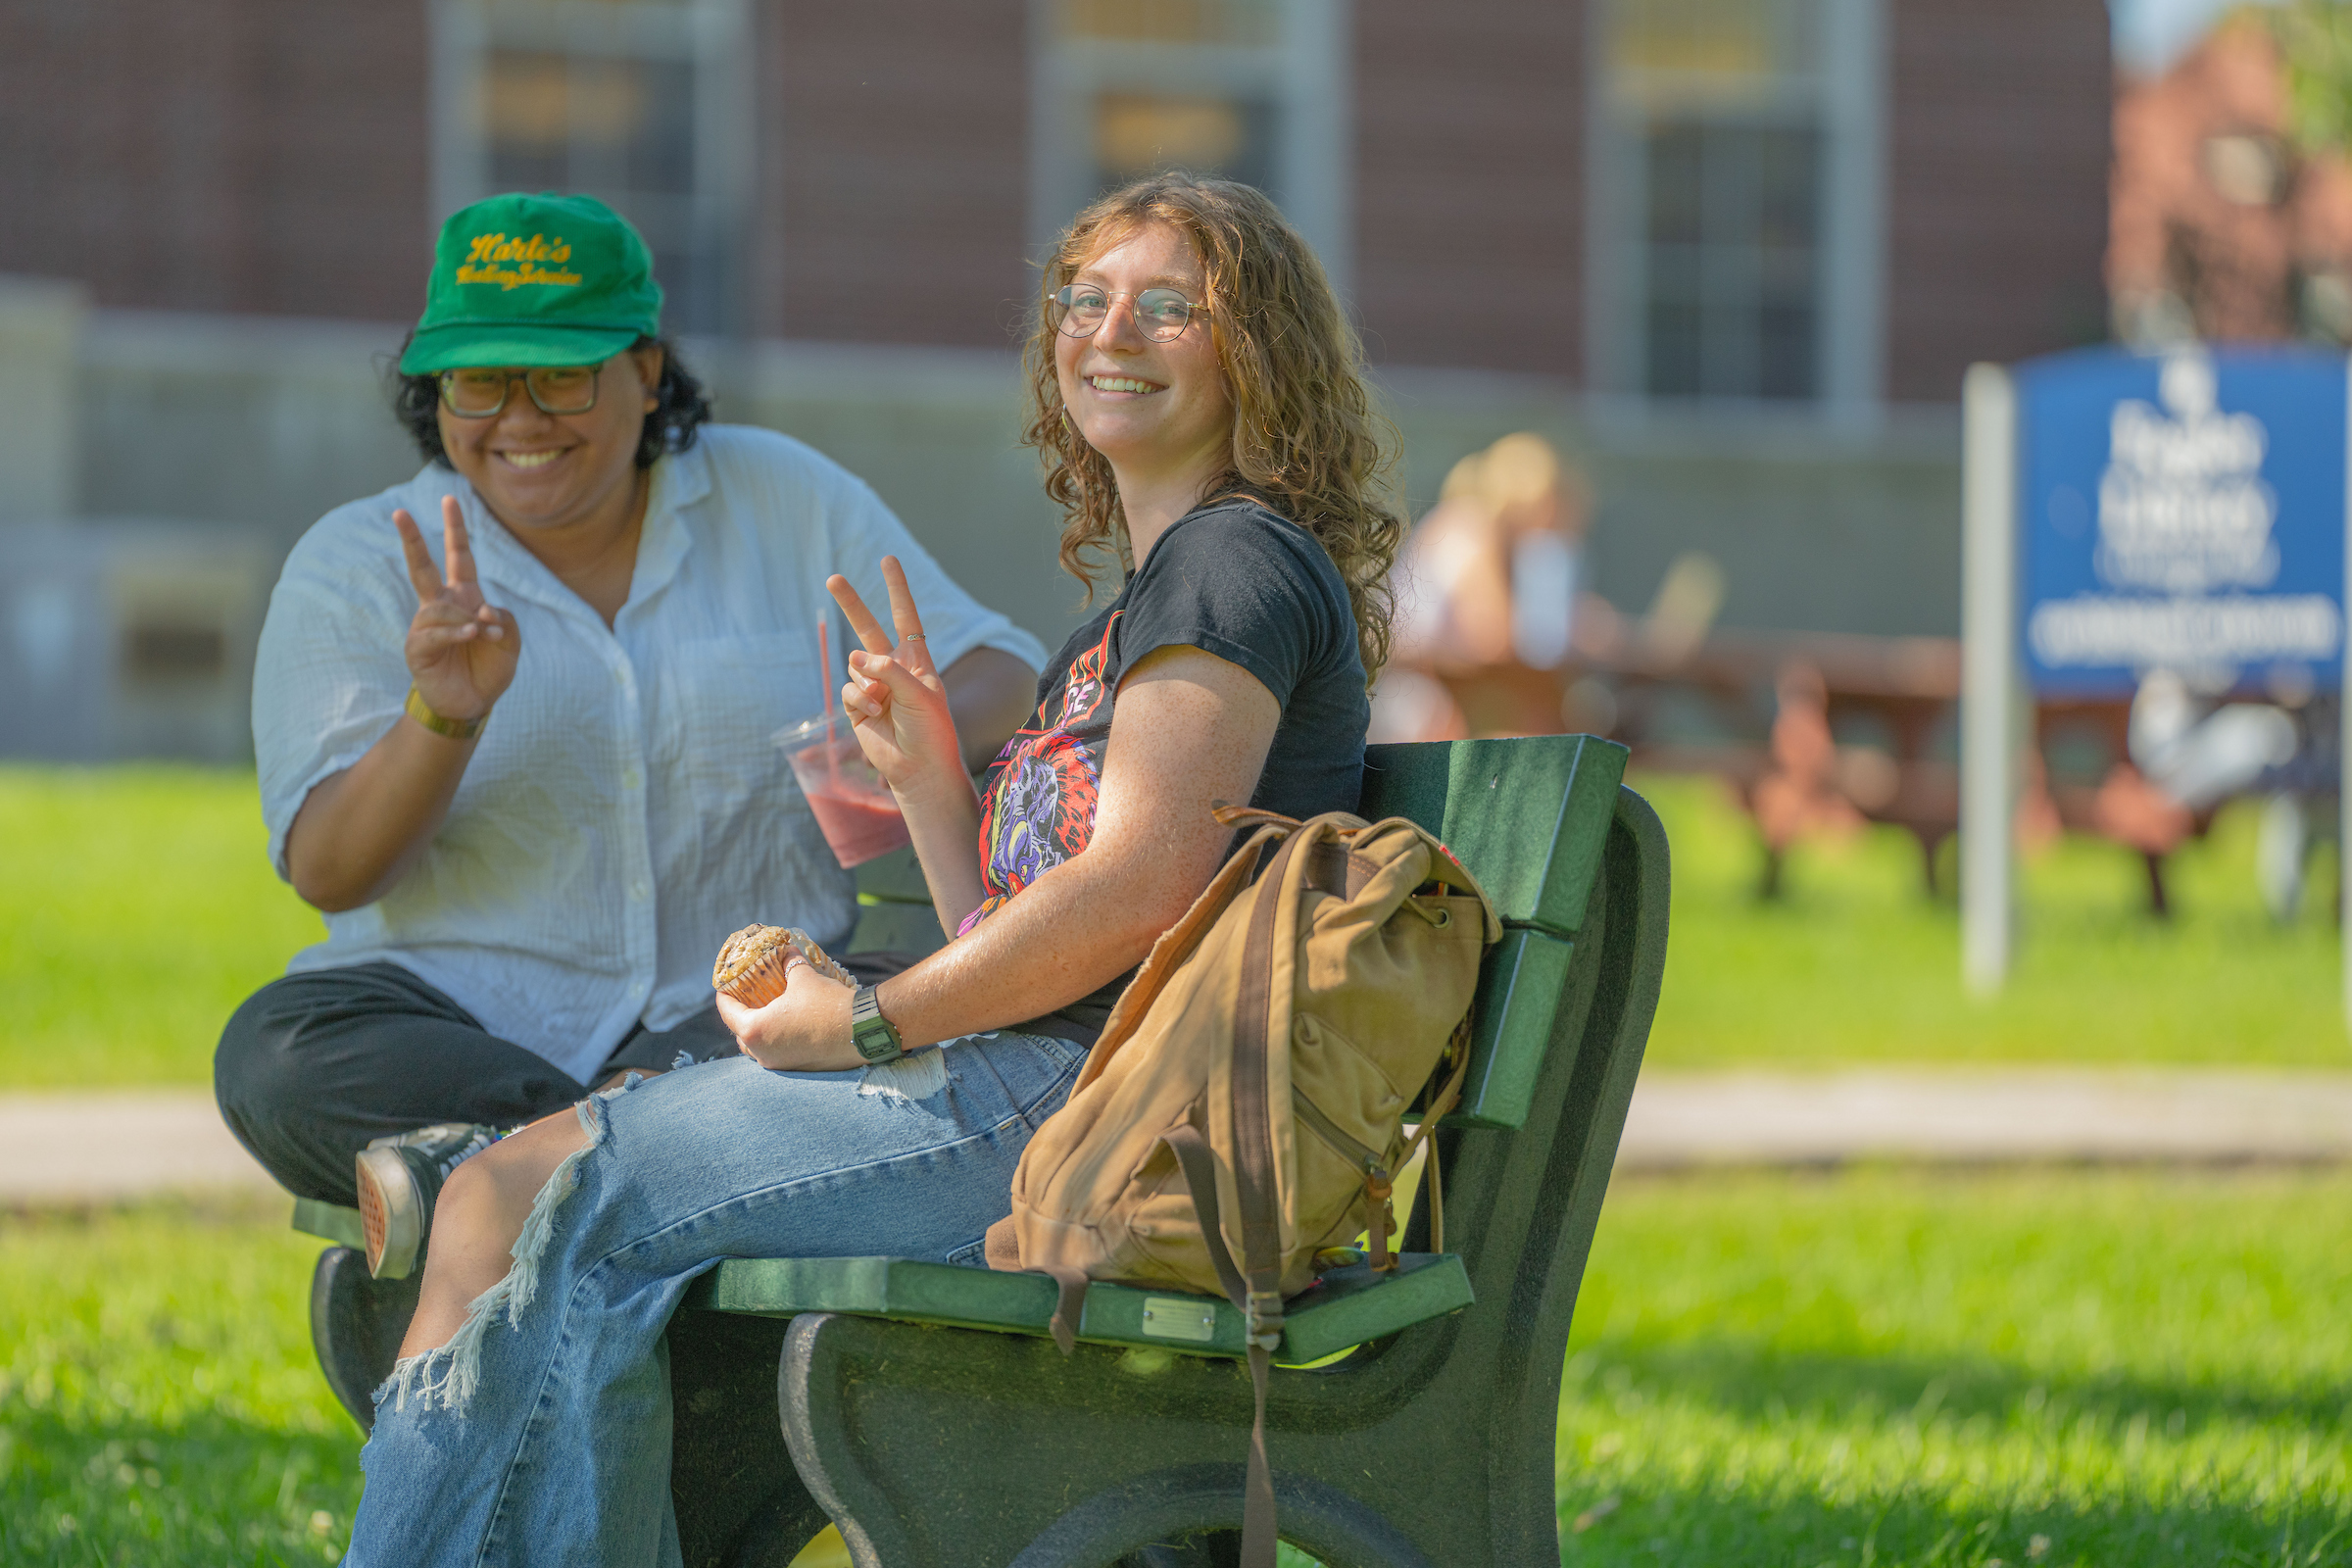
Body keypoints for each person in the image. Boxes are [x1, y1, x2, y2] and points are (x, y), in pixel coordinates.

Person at [342, 172, 1401, 1565]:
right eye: (1083, 299)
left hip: (1083, 1121)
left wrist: (863, 1023)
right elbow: (1046, 933)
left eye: (1168, 306)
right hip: (1053, 1091)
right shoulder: (1143, 607)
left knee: (516, 1200)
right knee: (546, 1219)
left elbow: (1141, 891)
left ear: (1253, 346)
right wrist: (931, 788)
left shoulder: (1231, 567)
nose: (1108, 330)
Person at [214, 192, 1044, 1290]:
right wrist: (444, 712)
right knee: (272, 1055)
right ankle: (626, 1153)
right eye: (478, 379)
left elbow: (1003, 672)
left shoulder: (781, 496)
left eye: (560, 374)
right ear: (434, 389)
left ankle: (472, 1179)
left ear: (647, 371)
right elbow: (329, 866)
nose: (518, 417)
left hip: (726, 1016)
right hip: (451, 1024)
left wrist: (883, 714)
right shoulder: (355, 561)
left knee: (849, 1028)